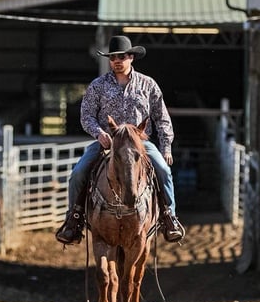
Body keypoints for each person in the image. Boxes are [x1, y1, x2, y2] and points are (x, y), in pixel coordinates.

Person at [55, 35, 186, 245]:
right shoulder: (98, 85)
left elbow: (161, 117)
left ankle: (169, 217)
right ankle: (74, 219)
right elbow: (86, 115)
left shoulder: (148, 84)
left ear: (131, 57)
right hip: (107, 142)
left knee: (163, 170)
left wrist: (166, 147)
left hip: (139, 143)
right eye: (113, 57)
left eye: (121, 57)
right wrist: (99, 133)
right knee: (78, 173)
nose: (117, 61)